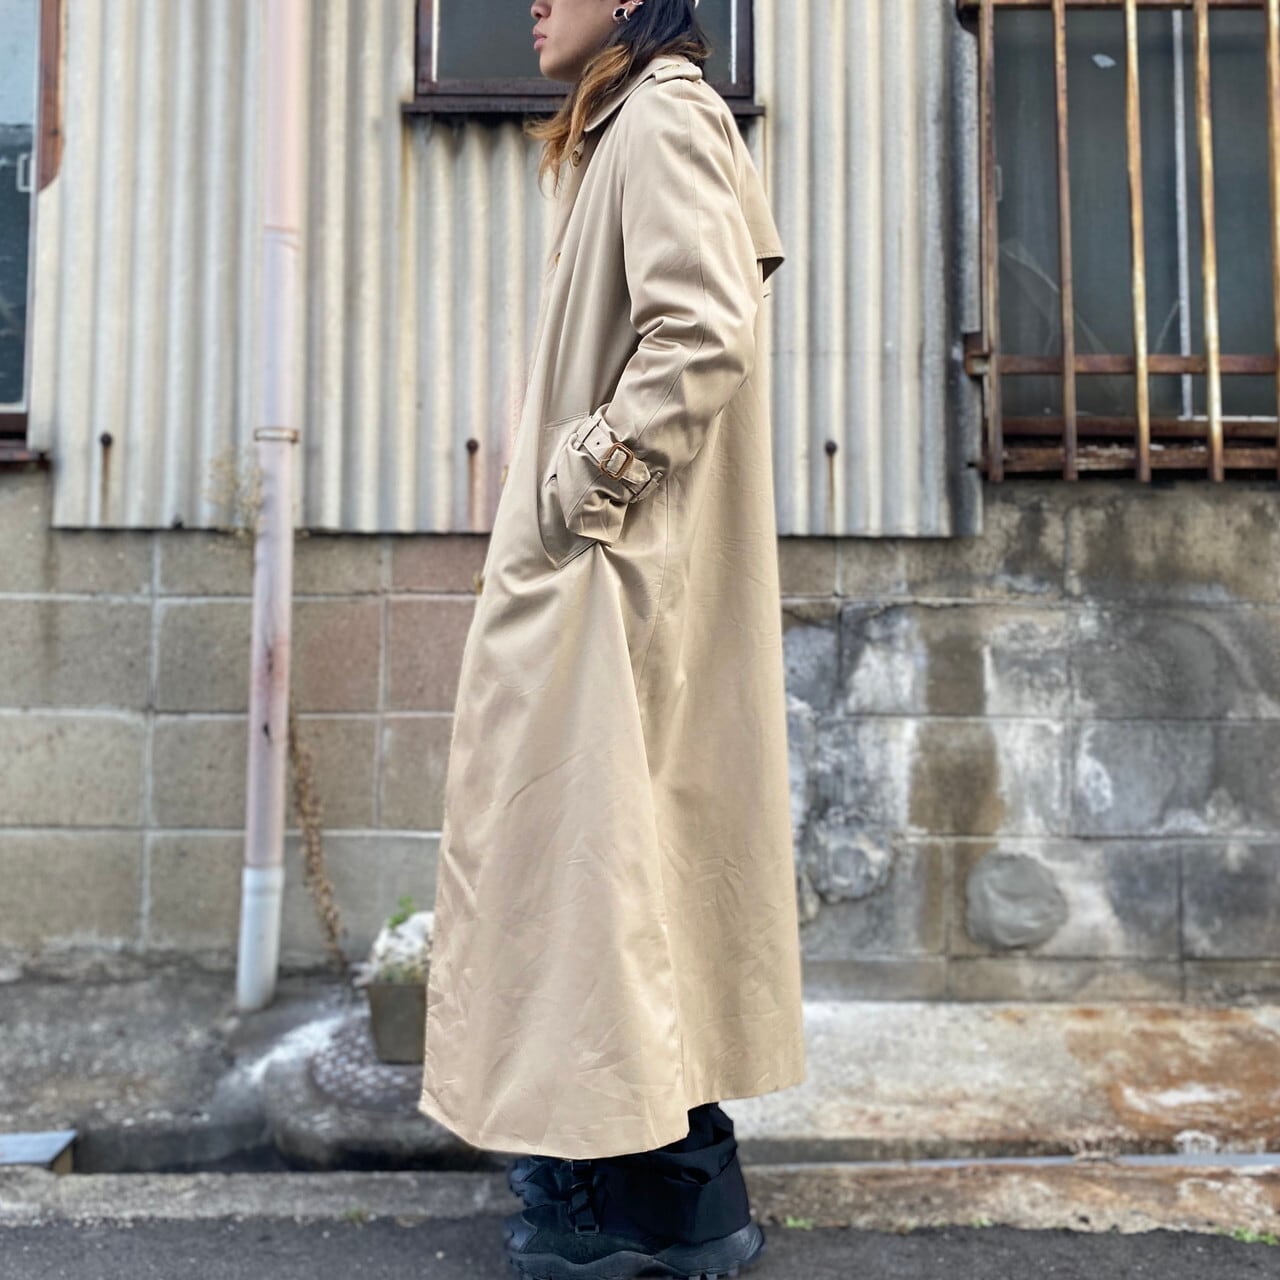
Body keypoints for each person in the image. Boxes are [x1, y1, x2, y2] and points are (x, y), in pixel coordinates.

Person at [416, 0, 806, 1275]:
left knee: (588, 883)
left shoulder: (662, 119)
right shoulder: (629, 123)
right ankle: (673, 1197)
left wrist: (579, 481)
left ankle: (606, 1196)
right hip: (606, 575)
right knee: (622, 884)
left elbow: (701, 328)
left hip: (607, 581)